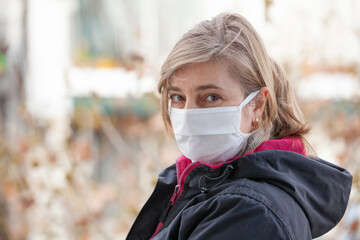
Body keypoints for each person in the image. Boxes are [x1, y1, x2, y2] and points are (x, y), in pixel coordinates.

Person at [126, 12, 352, 240]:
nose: (188, 113)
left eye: (211, 97)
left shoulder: (251, 213)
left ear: (256, 104)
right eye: (178, 97)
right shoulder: (198, 184)